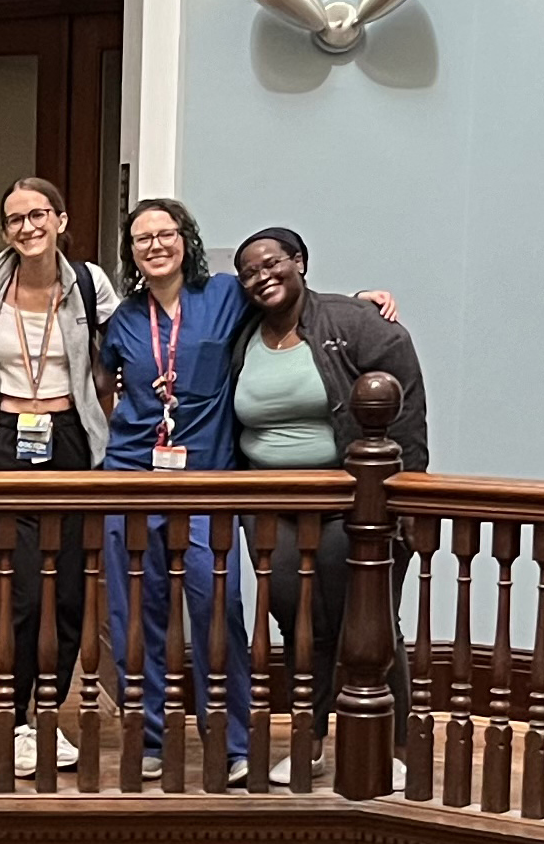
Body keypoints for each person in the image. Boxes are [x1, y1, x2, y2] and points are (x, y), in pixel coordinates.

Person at [97, 199, 397, 786]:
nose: (155, 245)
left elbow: (287, 298)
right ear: (129, 253)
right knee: (138, 611)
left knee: (218, 611)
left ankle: (232, 740)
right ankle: (152, 736)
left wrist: (361, 303)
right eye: (141, 239)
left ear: (186, 239)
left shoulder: (227, 295)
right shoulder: (124, 318)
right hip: (132, 477)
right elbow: (107, 380)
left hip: (210, 479)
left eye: (166, 233)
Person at [230, 226, 421, 790]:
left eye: (273, 263)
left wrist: (404, 491)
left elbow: (406, 408)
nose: (262, 276)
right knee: (298, 626)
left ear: (300, 262)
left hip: (351, 502)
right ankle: (310, 743)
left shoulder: (351, 322)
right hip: (270, 506)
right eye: (249, 271)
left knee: (370, 624)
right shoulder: (244, 333)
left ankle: (393, 746)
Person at [0, 178, 119, 777]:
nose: (28, 227)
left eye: (38, 214)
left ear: (61, 219)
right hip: (6, 442)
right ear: (4, 231)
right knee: (24, 591)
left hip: (71, 440)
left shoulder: (91, 285)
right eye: (15, 218)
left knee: (69, 591)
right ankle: (16, 719)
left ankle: (50, 714)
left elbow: (137, 338)